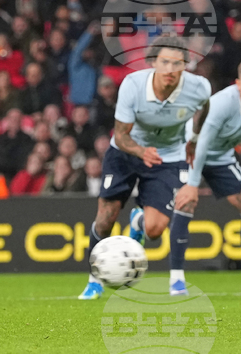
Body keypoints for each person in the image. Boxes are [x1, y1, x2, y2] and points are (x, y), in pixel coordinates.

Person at [78, 36, 211, 300]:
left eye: (177, 63)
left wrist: (193, 139)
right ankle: (94, 281)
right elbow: (121, 134)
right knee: (105, 221)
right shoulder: (133, 85)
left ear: (185, 65)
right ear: (153, 63)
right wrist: (141, 151)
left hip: (168, 157)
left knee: (155, 230)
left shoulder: (199, 87)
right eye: (165, 62)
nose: (170, 69)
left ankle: (137, 222)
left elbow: (204, 108)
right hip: (126, 153)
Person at [168, 60, 241, 295]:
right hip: (189, 152)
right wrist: (192, 184)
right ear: (238, 84)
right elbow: (202, 142)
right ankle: (176, 281)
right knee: (186, 202)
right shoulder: (221, 102)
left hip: (221, 158)